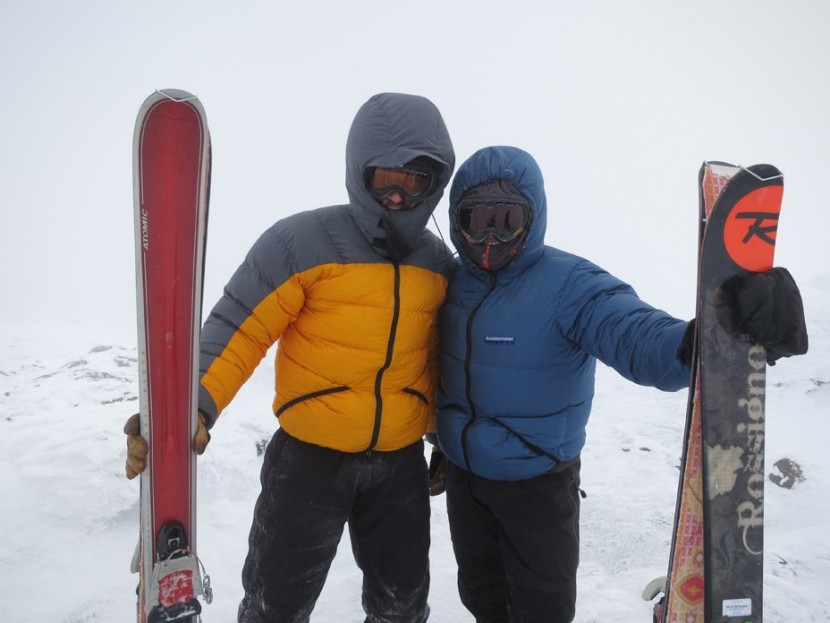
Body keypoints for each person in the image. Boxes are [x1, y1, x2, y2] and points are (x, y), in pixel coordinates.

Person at [428, 145, 808, 623]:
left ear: (533, 217)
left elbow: (634, 333)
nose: (489, 235)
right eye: (474, 220)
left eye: (505, 219)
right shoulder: (450, 280)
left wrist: (703, 341)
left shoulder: (569, 284)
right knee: (481, 594)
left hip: (537, 485)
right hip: (465, 478)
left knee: (542, 608)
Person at [125, 92, 456, 623]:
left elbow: (441, 361)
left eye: (415, 180)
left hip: (399, 467)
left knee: (402, 608)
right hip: (309, 463)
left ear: (436, 183)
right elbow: (240, 328)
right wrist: (193, 405)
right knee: (274, 605)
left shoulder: (439, 264)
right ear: (358, 171)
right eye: (385, 178)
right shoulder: (302, 242)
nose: (398, 194)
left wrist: (445, 438)